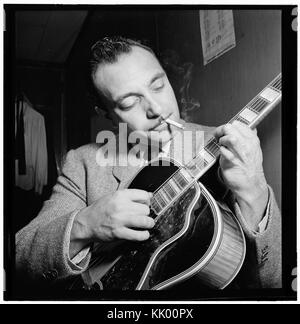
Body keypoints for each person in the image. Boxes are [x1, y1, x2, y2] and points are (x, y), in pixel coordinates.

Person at [15, 36, 281, 292]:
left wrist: (254, 190)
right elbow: (19, 256)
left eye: (157, 85)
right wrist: (86, 225)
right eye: (130, 102)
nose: (156, 108)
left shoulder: (231, 150)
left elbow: (274, 282)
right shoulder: (83, 163)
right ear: (106, 114)